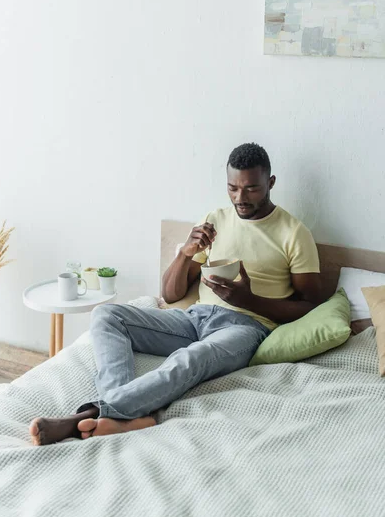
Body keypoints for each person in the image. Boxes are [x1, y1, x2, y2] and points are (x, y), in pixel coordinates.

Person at [29, 143, 322, 446]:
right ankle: (124, 417)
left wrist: (247, 300)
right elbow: (169, 295)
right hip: (195, 318)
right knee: (106, 314)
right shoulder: (215, 219)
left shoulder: (294, 233)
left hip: (246, 327)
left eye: (251, 189)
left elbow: (310, 305)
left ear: (270, 183)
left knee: (192, 357)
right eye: (232, 188)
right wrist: (185, 253)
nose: (240, 198)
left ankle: (87, 416)